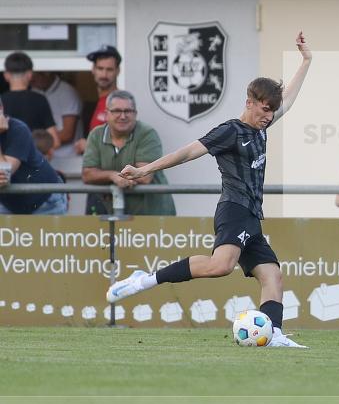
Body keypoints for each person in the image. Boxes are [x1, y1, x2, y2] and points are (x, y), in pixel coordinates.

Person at [106, 32, 312, 348]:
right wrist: (145, 169)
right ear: (250, 102)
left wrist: (306, 61)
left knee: (272, 275)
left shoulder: (262, 126)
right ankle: (145, 279)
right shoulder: (230, 131)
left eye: (272, 111)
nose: (268, 116)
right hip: (234, 210)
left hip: (252, 217)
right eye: (264, 110)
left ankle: (274, 335)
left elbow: (291, 100)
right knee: (220, 266)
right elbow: (188, 151)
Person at [81, 90, 176, 216]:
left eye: (128, 111)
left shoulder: (147, 134)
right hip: (114, 214)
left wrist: (111, 176)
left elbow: (144, 176)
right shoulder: (96, 134)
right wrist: (112, 176)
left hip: (152, 214)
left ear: (135, 114)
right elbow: (87, 175)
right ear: (106, 114)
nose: (123, 116)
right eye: (117, 111)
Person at [0, 100, 67, 215]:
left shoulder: (18, 129)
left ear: (1, 109)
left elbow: (3, 174)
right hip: (8, 203)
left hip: (45, 200)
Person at [1, 52, 60, 148]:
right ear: (30, 75)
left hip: (6, 160)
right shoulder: (39, 100)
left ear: (6, 75)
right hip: (33, 160)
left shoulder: (1, 101)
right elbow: (55, 141)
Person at [31, 71, 82, 173]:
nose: (31, 79)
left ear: (47, 74)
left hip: (68, 162)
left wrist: (35, 142)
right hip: (43, 160)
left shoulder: (67, 92)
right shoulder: (34, 91)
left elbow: (67, 133)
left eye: (35, 75)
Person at [74, 45, 121, 155]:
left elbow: (122, 146)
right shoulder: (99, 102)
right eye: (100, 68)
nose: (104, 75)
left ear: (117, 71)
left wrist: (88, 146)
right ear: (93, 69)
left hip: (115, 171)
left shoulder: (120, 102)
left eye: (109, 70)